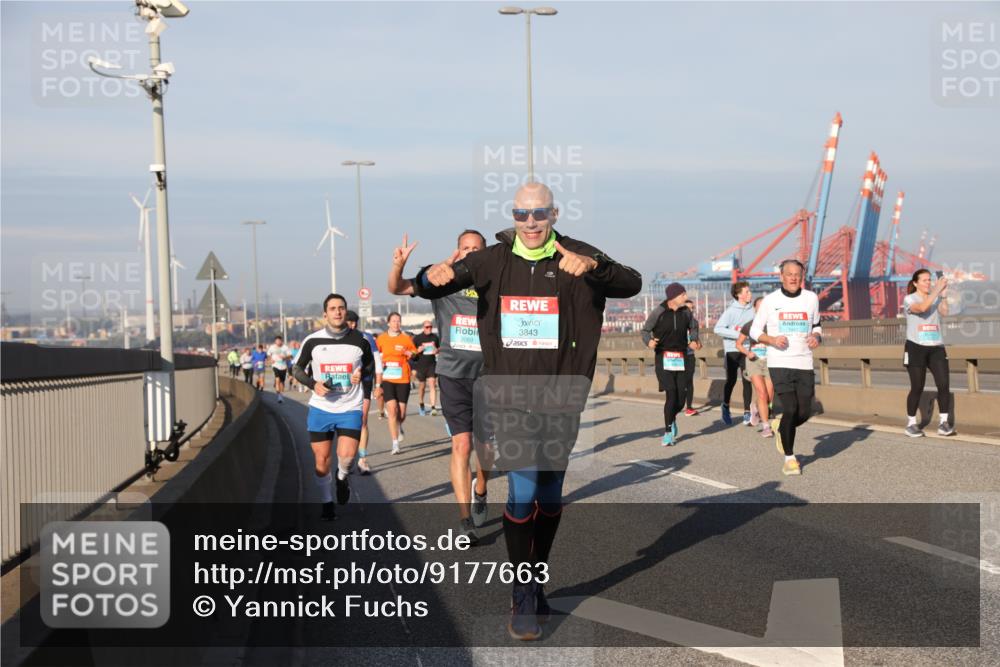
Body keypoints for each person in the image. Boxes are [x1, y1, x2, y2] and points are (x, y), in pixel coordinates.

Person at [416, 183, 641, 641]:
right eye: (522, 213)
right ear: (513, 216)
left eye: (540, 213)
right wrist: (428, 274)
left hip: (563, 392)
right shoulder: (491, 260)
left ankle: (536, 579)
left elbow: (631, 282)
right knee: (523, 488)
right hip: (509, 394)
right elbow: (427, 285)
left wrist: (595, 267)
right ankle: (522, 590)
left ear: (554, 213)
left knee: (551, 496)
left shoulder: (577, 254)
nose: (531, 222)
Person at [389, 230, 494, 544]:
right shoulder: (442, 280)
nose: (471, 253)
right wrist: (399, 266)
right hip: (452, 374)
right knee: (462, 445)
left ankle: (481, 488)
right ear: (457, 251)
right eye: (466, 248)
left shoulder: (495, 283)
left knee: (486, 448)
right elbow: (398, 287)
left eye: (477, 249)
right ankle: (464, 520)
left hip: (489, 376)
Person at [290, 294, 374, 521]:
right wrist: (313, 384)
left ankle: (342, 476)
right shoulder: (313, 341)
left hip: (350, 407)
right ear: (325, 314)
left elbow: (369, 367)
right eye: (333, 308)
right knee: (321, 461)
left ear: (346, 311)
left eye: (341, 308)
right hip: (321, 408)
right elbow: (296, 369)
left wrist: (361, 374)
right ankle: (327, 503)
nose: (338, 312)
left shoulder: (361, 340)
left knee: (347, 456)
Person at [749, 259, 822, 476]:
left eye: (797, 275)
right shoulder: (771, 301)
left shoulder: (811, 298)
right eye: (789, 274)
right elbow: (754, 331)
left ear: (802, 277)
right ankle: (790, 458)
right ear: (781, 276)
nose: (793, 278)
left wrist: (817, 336)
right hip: (780, 363)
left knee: (804, 411)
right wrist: (771, 340)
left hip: (804, 362)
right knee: (790, 408)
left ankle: (781, 426)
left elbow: (817, 324)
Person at [642, 283, 698, 445]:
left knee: (681, 398)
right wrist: (649, 342)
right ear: (673, 297)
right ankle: (667, 432)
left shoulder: (686, 312)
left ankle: (672, 418)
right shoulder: (658, 312)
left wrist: (694, 339)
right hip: (663, 356)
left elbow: (694, 327)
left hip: (681, 357)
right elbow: (645, 331)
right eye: (683, 295)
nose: (686, 297)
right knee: (671, 393)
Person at [902, 270, 954, 437]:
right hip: (915, 346)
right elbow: (922, 307)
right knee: (917, 386)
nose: (928, 283)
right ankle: (911, 423)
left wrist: (943, 295)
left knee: (944, 384)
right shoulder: (909, 299)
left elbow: (945, 312)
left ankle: (944, 423)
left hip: (936, 346)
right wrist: (937, 290)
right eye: (924, 280)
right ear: (915, 283)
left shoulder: (936, 296)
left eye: (929, 280)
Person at [345, 310, 383, 473]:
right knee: (347, 422)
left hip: (365, 382)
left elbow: (377, 361)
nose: (352, 325)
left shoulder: (366, 338)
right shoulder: (338, 339)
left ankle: (362, 459)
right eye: (349, 322)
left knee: (363, 420)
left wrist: (378, 384)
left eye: (355, 322)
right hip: (346, 384)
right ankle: (348, 456)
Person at [714, 281, 755, 425]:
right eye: (747, 292)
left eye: (749, 291)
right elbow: (718, 329)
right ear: (738, 295)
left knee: (747, 380)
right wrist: (738, 334)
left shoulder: (753, 310)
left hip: (747, 349)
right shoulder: (730, 311)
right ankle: (725, 406)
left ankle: (747, 412)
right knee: (730, 381)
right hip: (732, 350)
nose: (750, 294)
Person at [376, 313, 416, 454]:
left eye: (398, 321)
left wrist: (410, 354)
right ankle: (395, 444)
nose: (396, 324)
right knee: (392, 410)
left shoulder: (406, 339)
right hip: (388, 379)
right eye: (394, 321)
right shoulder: (381, 338)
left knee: (402, 413)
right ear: (388, 323)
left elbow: (414, 354)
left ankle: (399, 426)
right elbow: (375, 355)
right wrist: (379, 362)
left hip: (403, 378)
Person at [737, 297, 775, 437]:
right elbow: (738, 344)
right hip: (754, 361)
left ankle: (755, 406)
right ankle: (766, 426)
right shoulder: (749, 325)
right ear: (755, 309)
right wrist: (748, 352)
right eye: (759, 306)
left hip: (770, 361)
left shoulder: (773, 324)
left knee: (769, 395)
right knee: (762, 393)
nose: (762, 309)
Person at [411, 320, 440, 416]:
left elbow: (440, 348)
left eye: (431, 327)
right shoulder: (418, 338)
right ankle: (421, 403)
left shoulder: (435, 337)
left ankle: (433, 407)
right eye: (427, 327)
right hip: (421, 365)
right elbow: (412, 354)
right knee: (422, 386)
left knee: (432, 384)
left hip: (432, 364)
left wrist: (437, 350)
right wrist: (418, 351)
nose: (429, 328)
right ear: (423, 328)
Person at [682, 299, 701, 417]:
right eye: (687, 308)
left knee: (689, 381)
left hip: (689, 355)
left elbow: (695, 338)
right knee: (679, 382)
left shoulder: (694, 322)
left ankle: (689, 407)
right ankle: (674, 404)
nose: (690, 310)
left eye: (692, 308)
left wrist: (698, 343)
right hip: (677, 356)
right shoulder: (677, 322)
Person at [267, 335, 290, 403]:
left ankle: (281, 395)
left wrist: (284, 357)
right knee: (277, 379)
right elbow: (268, 354)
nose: (278, 342)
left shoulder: (285, 347)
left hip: (283, 366)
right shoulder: (272, 347)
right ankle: (279, 396)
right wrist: (270, 359)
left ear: (281, 341)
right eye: (276, 341)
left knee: (282, 382)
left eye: (279, 341)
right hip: (275, 365)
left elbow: (290, 355)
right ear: (275, 341)